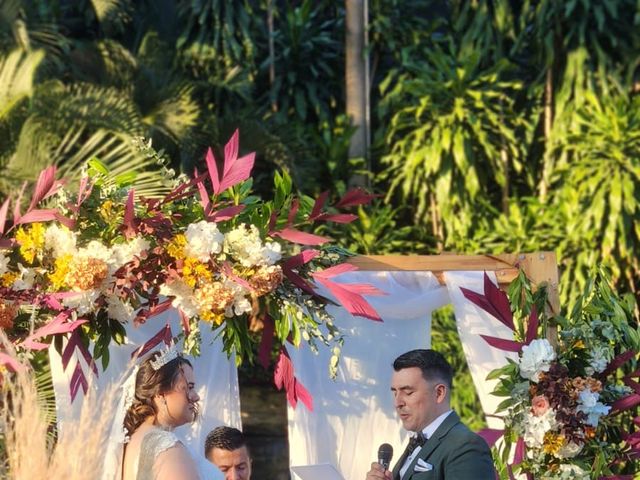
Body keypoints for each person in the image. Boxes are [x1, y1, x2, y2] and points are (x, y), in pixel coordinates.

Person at [366, 349, 495, 480]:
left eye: (408, 392)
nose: (397, 403)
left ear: (439, 393)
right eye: (395, 393)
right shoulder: (419, 440)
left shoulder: (466, 446)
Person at [121, 347, 223, 480]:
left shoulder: (138, 437)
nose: (196, 396)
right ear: (160, 393)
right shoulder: (167, 448)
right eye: (189, 387)